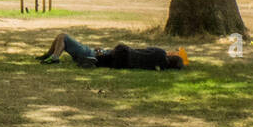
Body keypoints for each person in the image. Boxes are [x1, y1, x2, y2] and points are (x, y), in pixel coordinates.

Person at [39, 32, 186, 70]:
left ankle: (53, 56)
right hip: (104, 56)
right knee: (61, 37)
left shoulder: (159, 53)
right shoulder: (158, 66)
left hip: (98, 55)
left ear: (172, 56)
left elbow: (143, 50)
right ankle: (51, 55)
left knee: (62, 36)